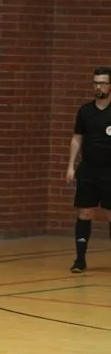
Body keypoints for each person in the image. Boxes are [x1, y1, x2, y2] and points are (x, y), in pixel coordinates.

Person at [66, 66, 111, 273]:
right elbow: (77, 138)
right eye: (95, 83)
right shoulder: (85, 111)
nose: (98, 86)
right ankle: (80, 260)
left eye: (102, 82)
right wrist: (71, 166)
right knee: (85, 213)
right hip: (88, 171)